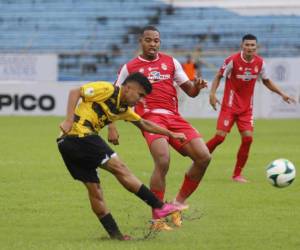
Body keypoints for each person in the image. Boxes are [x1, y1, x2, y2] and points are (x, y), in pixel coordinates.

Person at [57, 72, 187, 241]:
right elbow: (75, 92)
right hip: (80, 136)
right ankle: (159, 206)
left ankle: (116, 236)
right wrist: (68, 120)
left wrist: (171, 133)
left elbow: (144, 123)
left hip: (66, 144)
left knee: (95, 191)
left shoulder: (123, 109)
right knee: (120, 168)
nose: (140, 100)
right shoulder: (107, 89)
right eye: (139, 95)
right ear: (128, 88)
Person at [109, 26, 211, 231]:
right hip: (150, 118)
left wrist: (197, 87)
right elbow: (114, 97)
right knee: (163, 160)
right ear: (141, 41)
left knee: (204, 157)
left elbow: (189, 91)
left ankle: (176, 204)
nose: (153, 44)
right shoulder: (130, 67)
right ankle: (157, 218)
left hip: (174, 117)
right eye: (148, 40)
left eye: (156, 40)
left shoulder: (171, 62)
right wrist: (111, 126)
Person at [206, 34, 296, 183]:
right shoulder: (232, 60)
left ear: (256, 47)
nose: (250, 48)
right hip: (229, 105)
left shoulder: (260, 63)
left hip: (246, 108)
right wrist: (212, 94)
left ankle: (237, 175)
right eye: (247, 45)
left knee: (248, 139)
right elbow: (218, 76)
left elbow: (266, 81)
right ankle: (199, 156)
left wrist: (282, 94)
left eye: (252, 45)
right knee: (219, 137)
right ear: (242, 46)